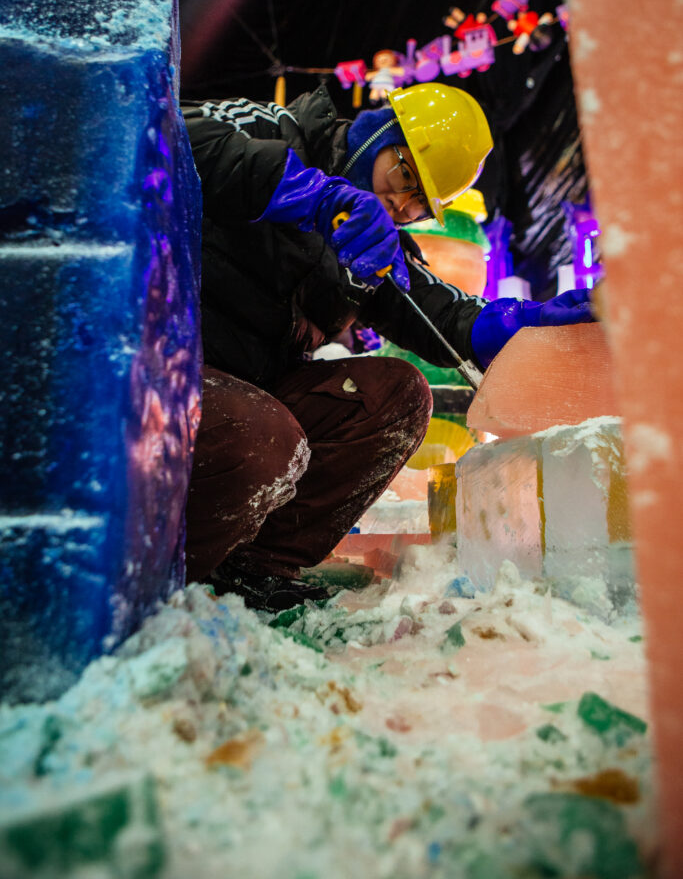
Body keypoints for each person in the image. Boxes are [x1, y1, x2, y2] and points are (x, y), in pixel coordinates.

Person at [180, 82, 593, 611]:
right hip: (165, 368)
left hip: (251, 389)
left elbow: (441, 312)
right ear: (376, 130)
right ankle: (156, 579)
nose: (400, 203)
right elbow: (167, 131)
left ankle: (253, 567)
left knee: (395, 396)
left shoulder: (378, 242)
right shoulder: (270, 128)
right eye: (402, 175)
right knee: (262, 435)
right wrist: (310, 194)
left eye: (419, 203)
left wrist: (522, 321)